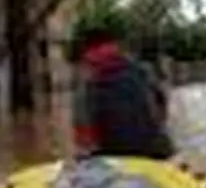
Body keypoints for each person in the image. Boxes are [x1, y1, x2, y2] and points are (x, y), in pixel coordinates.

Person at [70, 25, 175, 160]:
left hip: (118, 159)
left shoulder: (88, 84)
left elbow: (83, 138)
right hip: (157, 151)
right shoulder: (142, 70)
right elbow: (162, 104)